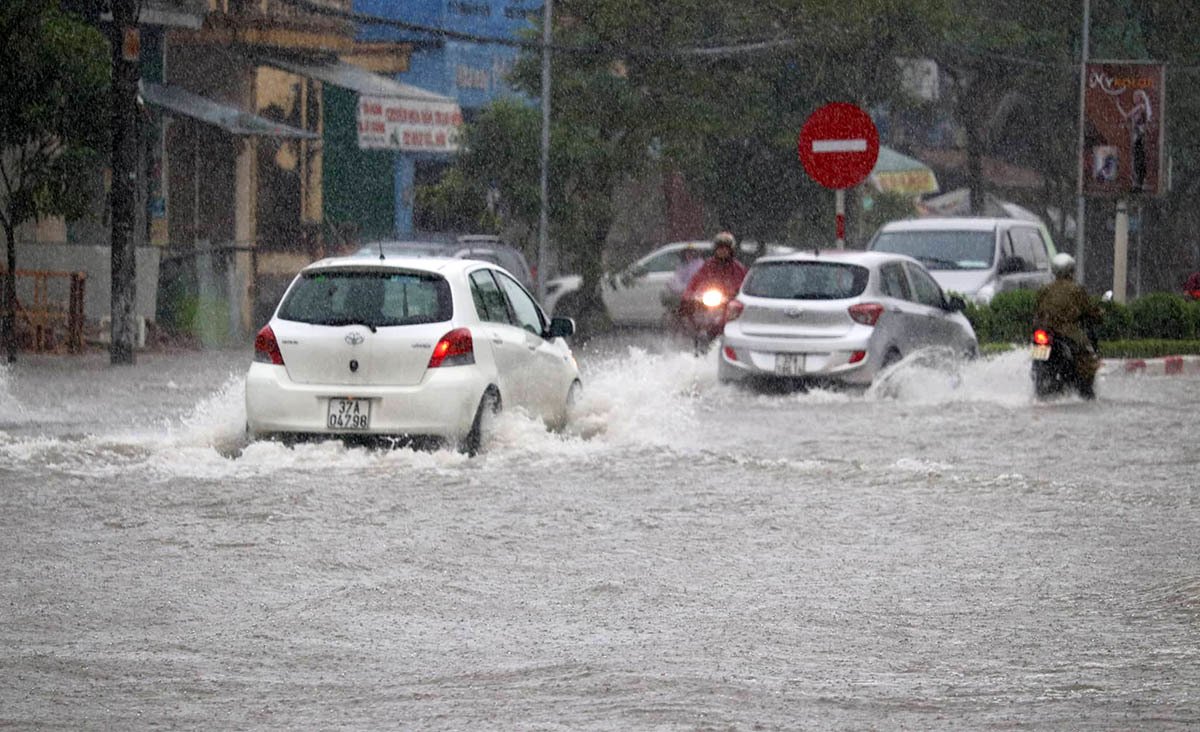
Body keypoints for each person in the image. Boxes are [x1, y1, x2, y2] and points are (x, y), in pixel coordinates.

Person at [1034, 253, 1103, 399]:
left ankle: (1038, 382)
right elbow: (1090, 311)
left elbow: (1036, 311)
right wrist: (1098, 314)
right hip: (1067, 333)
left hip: (1043, 333)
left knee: (1037, 356)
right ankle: (1085, 392)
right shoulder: (1077, 290)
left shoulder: (1044, 290)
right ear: (1071, 270)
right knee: (1087, 358)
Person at [680, 231, 748, 310]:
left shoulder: (738, 268)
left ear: (731, 250)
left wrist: (735, 295)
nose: (723, 251)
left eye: (725, 248)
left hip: (731, 307)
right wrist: (688, 295)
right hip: (708, 307)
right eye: (720, 248)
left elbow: (745, 285)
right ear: (715, 250)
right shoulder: (708, 266)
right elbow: (695, 281)